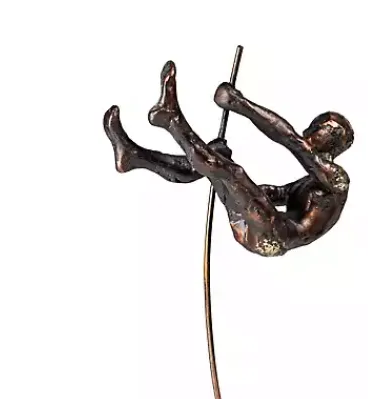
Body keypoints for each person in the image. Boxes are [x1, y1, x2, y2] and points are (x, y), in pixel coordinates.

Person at [104, 61, 354, 257]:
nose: (311, 129)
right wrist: (239, 185)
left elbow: (292, 141)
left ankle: (170, 119)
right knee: (217, 169)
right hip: (255, 228)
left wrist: (239, 103)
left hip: (272, 233)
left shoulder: (338, 180)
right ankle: (135, 157)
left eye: (322, 127)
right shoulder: (310, 183)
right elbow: (276, 193)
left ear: (334, 139)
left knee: (230, 173)